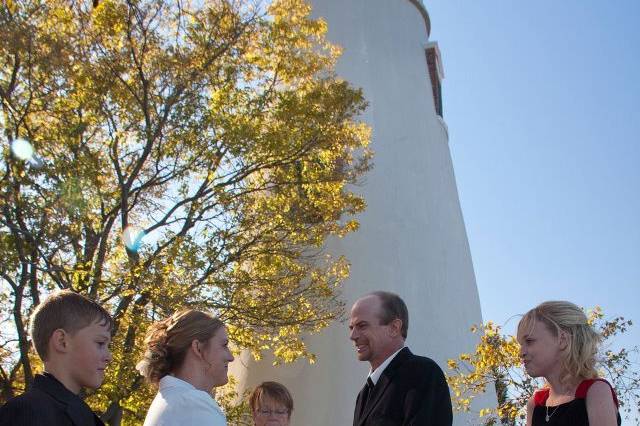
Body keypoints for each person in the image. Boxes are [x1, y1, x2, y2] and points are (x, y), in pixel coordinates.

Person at [0, 289, 113, 426]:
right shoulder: (27, 413)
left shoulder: (82, 415)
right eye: (100, 343)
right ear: (62, 341)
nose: (109, 357)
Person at [349, 291, 452, 426]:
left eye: (362, 326)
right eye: (351, 327)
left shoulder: (422, 373)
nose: (353, 335)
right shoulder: (364, 394)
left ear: (394, 328)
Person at [517, 301, 621, 426]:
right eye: (521, 344)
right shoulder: (535, 404)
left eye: (529, 341)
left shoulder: (595, 392)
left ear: (562, 340)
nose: (521, 352)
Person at [138, 309, 234, 426]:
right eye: (224, 345)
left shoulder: (172, 399)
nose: (231, 357)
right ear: (198, 348)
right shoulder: (194, 405)